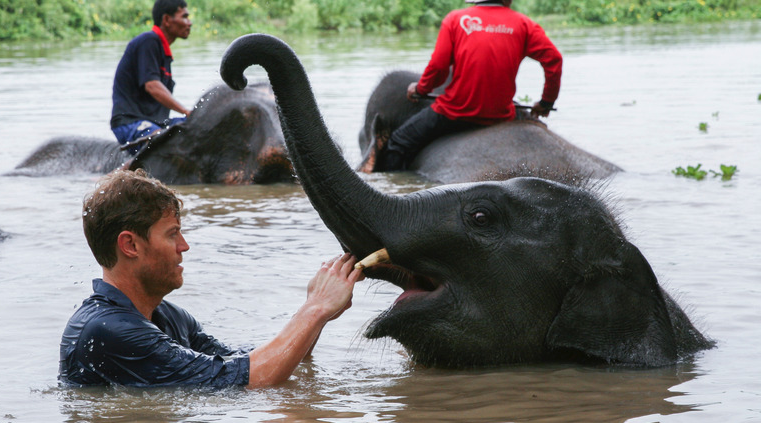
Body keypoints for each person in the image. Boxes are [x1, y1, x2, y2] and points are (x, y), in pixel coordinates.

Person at [59, 169, 363, 389]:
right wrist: (315, 309)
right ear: (130, 245)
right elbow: (254, 380)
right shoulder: (109, 330)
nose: (184, 246)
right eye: (172, 234)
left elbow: (247, 362)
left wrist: (318, 312)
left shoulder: (168, 317)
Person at [381, 0, 563, 171]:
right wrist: (546, 102)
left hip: (455, 111)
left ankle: (397, 193)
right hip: (500, 114)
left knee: (398, 143)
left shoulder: (455, 19)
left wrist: (420, 89)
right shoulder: (525, 24)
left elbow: (438, 67)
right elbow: (554, 60)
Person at [110, 0, 194, 155]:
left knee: (197, 126)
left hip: (157, 123)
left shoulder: (164, 53)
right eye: (184, 17)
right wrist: (185, 111)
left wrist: (194, 118)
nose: (189, 23)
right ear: (167, 20)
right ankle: (117, 175)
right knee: (162, 143)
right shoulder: (148, 42)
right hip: (131, 123)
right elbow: (152, 85)